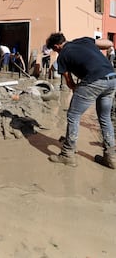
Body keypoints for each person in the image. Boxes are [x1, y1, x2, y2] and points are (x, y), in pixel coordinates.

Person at [45, 32, 116, 168]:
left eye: (54, 50)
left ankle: (67, 155)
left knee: (73, 115)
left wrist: (77, 89)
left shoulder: (63, 55)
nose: (56, 52)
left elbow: (70, 83)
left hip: (94, 79)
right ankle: (111, 157)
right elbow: (109, 44)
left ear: (56, 46)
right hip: (112, 78)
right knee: (105, 118)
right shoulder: (84, 40)